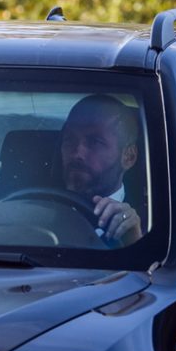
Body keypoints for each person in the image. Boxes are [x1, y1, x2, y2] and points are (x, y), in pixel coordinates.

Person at [59, 94, 143, 245]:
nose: (77, 153)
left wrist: (134, 243)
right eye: (69, 140)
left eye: (95, 142)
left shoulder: (162, 227)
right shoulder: (31, 213)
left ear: (128, 157)